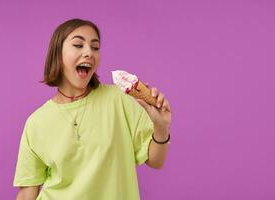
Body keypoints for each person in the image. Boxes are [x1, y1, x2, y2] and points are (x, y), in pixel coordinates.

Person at [13, 18, 172, 200]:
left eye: (95, 47)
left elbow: (156, 161)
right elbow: (27, 192)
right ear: (57, 54)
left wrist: (161, 128)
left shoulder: (119, 99)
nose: (89, 52)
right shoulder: (36, 122)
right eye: (78, 45)